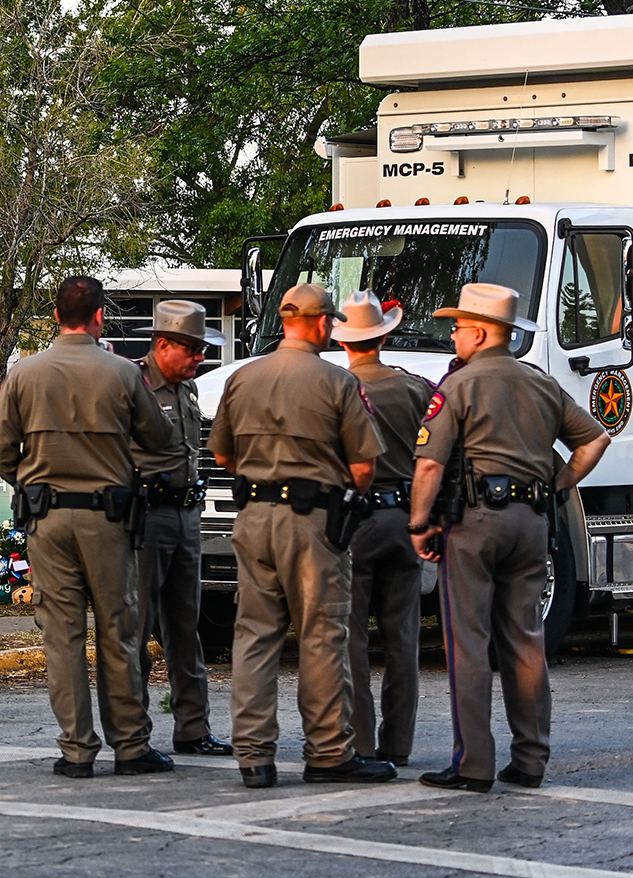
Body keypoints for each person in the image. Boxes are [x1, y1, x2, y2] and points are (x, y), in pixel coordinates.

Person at [411, 283, 609, 793]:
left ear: (479, 332)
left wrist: (419, 523)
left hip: (475, 522)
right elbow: (594, 439)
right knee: (525, 641)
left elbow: (431, 464)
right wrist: (559, 485)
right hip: (533, 522)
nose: (453, 334)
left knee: (468, 642)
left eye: (457, 327)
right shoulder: (539, 383)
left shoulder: (460, 385)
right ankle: (530, 760)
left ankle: (473, 763)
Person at [208, 283, 396, 789]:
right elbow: (363, 465)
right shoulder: (336, 382)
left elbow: (222, 454)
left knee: (254, 635)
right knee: (320, 635)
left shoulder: (242, 377)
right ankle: (329, 752)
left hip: (252, 518)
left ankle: (253, 755)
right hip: (313, 523)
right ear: (320, 323)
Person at [0, 275, 176, 778]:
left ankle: (76, 750)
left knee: (62, 636)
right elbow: (160, 438)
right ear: (99, 317)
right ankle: (131, 746)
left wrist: (31, 481)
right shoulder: (122, 372)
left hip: (46, 520)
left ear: (55, 316)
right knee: (119, 630)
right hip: (110, 519)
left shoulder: (24, 374)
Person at [332, 290, 434, 767]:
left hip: (354, 519)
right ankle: (400, 741)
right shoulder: (416, 388)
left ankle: (362, 744)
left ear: (343, 340)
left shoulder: (337, 388)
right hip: (406, 517)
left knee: (350, 636)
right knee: (403, 636)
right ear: (384, 334)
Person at [131, 300, 234, 757]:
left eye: (202, 349)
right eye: (192, 349)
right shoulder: (131, 385)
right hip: (146, 517)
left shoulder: (188, 391)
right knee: (135, 627)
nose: (201, 358)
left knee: (185, 627)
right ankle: (133, 733)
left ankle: (193, 729)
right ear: (163, 344)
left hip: (186, 516)